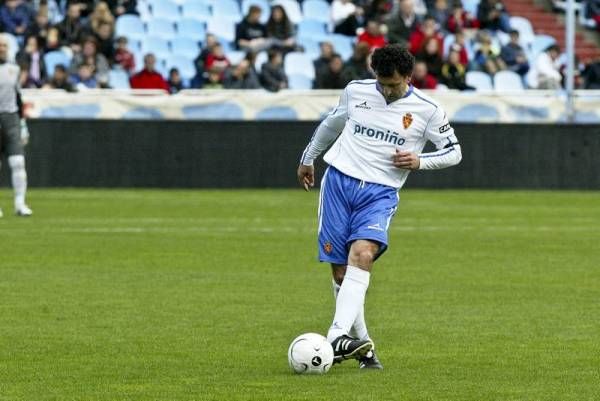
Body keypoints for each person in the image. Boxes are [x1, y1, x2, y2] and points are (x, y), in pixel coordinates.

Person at [297, 44, 461, 369]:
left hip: (380, 192)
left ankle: (335, 335)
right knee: (342, 272)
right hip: (338, 183)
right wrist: (308, 157)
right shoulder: (356, 91)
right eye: (381, 83)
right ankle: (364, 350)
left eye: (393, 84)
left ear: (409, 76)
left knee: (362, 255)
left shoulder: (427, 110)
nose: (386, 90)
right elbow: (332, 124)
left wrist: (420, 160)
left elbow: (454, 151)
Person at [0, 36, 33, 217]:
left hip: (10, 118)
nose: (2, 48)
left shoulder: (14, 69)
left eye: (4, 45)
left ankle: (20, 203)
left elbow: (18, 98)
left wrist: (22, 124)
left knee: (18, 162)